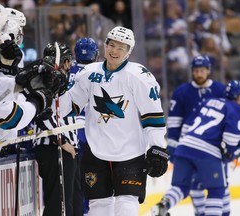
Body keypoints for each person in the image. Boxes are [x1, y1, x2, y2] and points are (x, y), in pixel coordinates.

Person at [58, 26, 169, 216]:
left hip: (130, 153)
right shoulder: (89, 73)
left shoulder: (140, 77)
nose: (114, 51)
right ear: (105, 45)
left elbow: (153, 116)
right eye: (111, 45)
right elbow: (68, 105)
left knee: (126, 204)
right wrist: (54, 89)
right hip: (95, 151)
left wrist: (158, 147)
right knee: (98, 207)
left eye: (121, 47)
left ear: (128, 52)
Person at [152, 80, 240, 216]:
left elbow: (187, 125)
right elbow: (230, 138)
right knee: (217, 189)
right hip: (207, 152)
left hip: (184, 147)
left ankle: (163, 204)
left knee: (182, 187)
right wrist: (230, 153)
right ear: (239, 96)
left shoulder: (207, 102)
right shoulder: (236, 109)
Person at [164, 55, 229, 215]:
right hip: (190, 147)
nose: (199, 73)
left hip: (215, 148)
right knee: (195, 187)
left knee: (221, 185)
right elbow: (174, 122)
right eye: (196, 71)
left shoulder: (220, 90)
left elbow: (230, 118)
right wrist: (173, 146)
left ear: (208, 71)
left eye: (202, 70)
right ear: (192, 71)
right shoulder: (182, 92)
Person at [33, 42, 79, 216]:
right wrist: (61, 141)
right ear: (64, 62)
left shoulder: (60, 81)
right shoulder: (47, 80)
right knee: (58, 203)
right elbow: (43, 114)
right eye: (68, 61)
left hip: (63, 147)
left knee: (69, 202)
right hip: (55, 147)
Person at [71, 37, 100, 215]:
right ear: (96, 55)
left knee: (74, 182)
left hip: (67, 132)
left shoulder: (68, 70)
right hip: (91, 134)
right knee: (91, 180)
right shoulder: (99, 71)